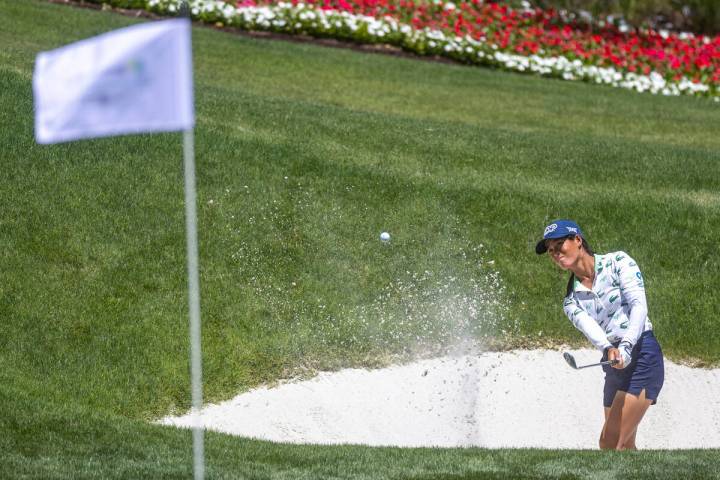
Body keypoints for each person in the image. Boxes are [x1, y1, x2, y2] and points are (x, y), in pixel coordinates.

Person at [535, 219, 664, 450]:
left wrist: (625, 345)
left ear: (577, 240)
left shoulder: (618, 262)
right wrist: (608, 349)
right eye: (551, 250)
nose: (555, 253)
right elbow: (591, 330)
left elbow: (639, 307)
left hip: (642, 354)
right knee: (622, 448)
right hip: (613, 363)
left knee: (610, 442)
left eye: (560, 245)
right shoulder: (571, 300)